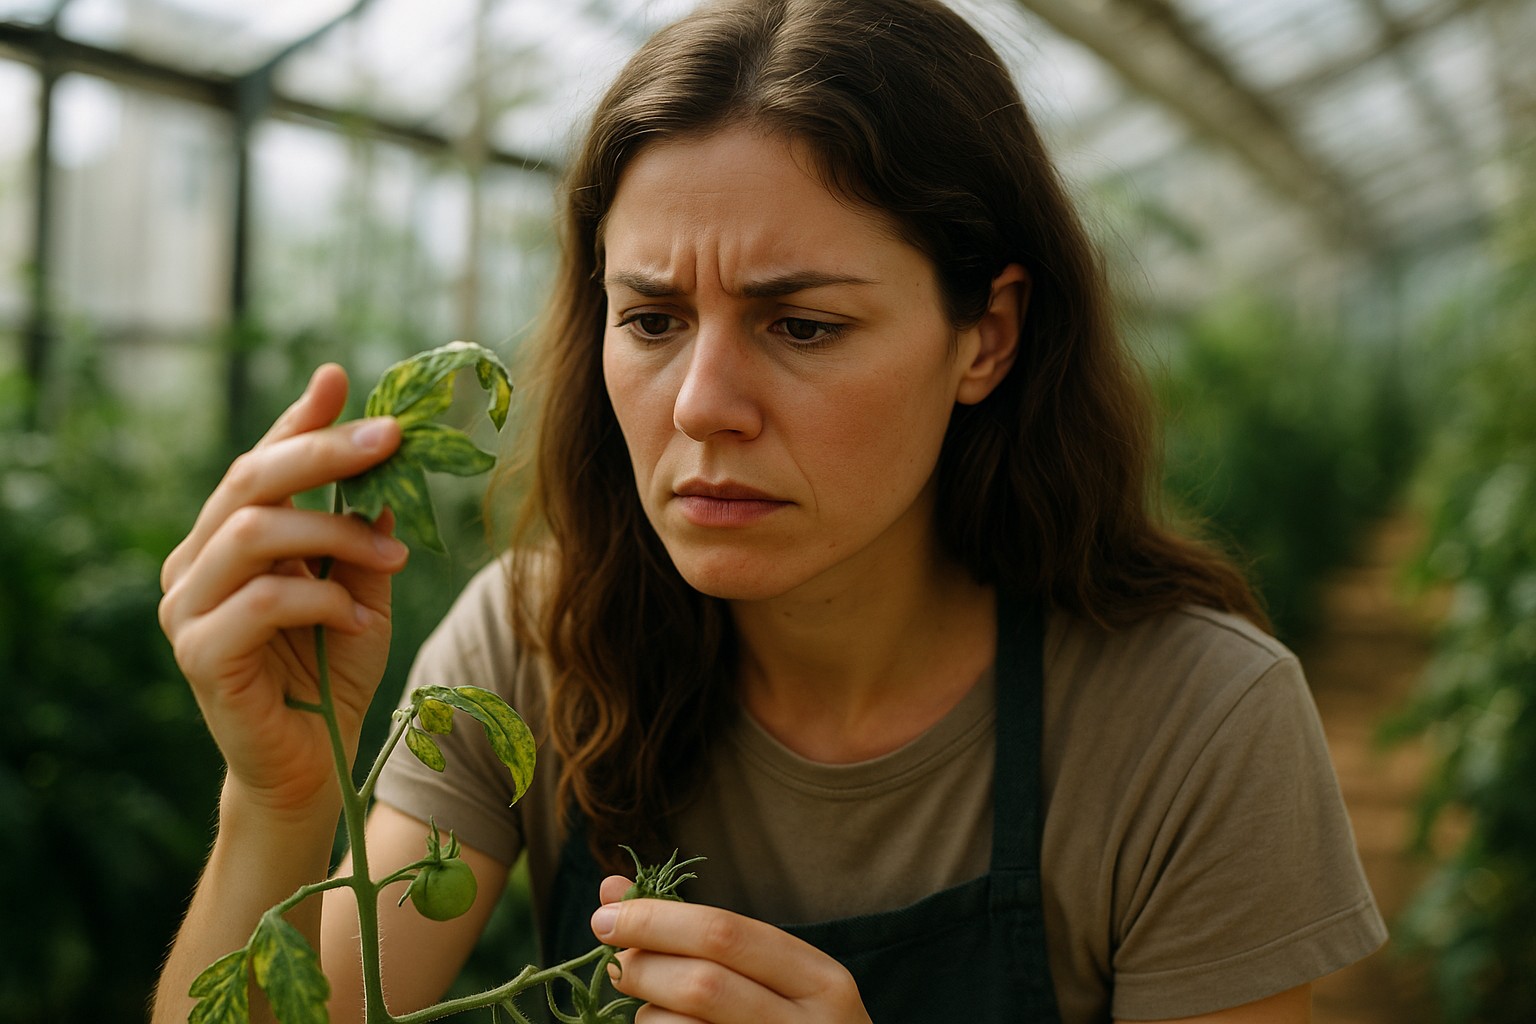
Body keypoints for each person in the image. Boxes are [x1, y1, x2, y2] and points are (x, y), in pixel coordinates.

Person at [152, 0, 1387, 1021]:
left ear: (987, 336)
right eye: (651, 320)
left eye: (803, 326)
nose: (702, 405)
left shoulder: (1191, 726)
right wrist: (277, 803)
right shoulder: (534, 641)